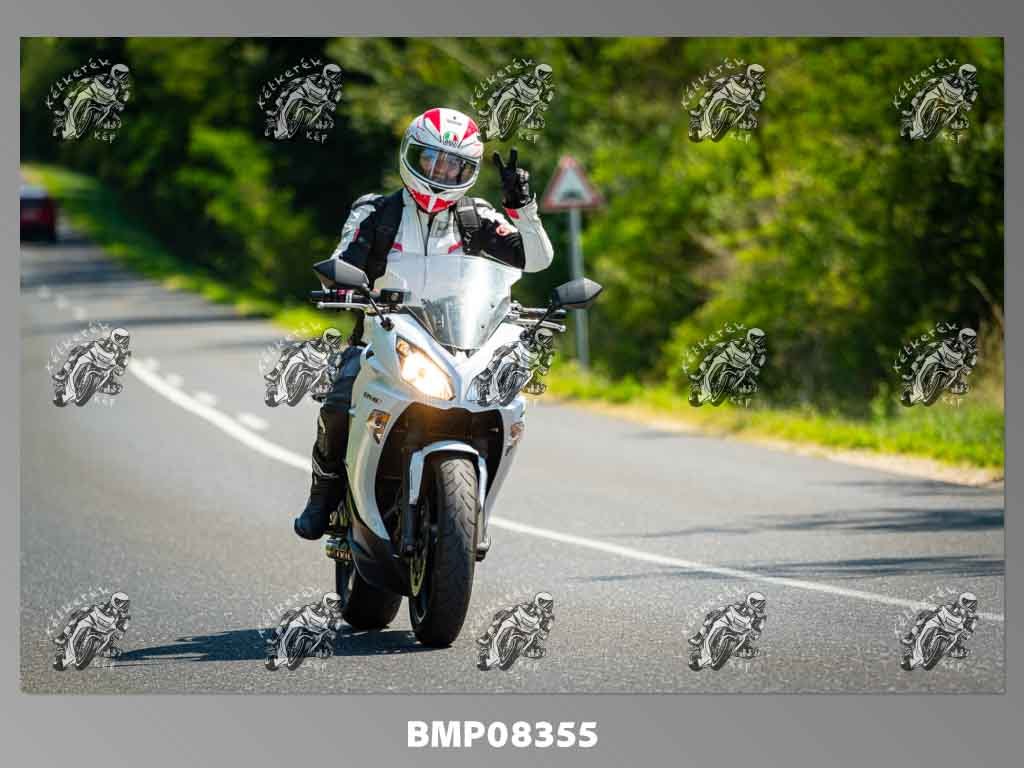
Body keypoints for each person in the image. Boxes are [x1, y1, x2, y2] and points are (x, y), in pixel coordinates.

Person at [293, 107, 554, 540]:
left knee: (501, 406)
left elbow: (537, 261)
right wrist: (341, 284)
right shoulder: (375, 212)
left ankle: (471, 509)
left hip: (460, 343)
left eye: (453, 165)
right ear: (410, 155)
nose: (439, 172)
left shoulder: (476, 217)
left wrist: (522, 209)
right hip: (383, 337)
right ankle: (322, 494)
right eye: (430, 159)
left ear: (468, 172)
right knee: (339, 403)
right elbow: (342, 262)